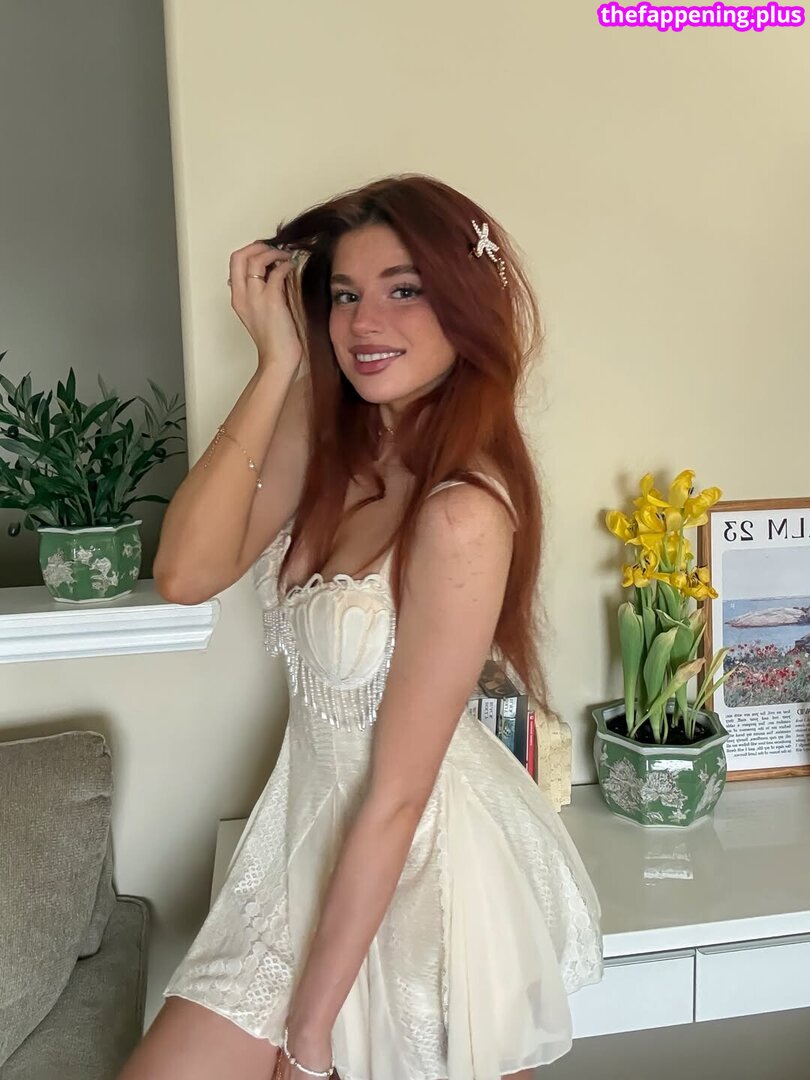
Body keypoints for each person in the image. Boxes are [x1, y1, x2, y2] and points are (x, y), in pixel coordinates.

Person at [117, 174, 602, 1080]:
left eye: (403, 289)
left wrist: (307, 1044)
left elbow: (398, 797)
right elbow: (186, 573)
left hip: (421, 873)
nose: (365, 322)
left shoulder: (462, 515)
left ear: (466, 305)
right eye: (345, 295)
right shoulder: (335, 440)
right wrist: (276, 366)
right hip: (296, 844)